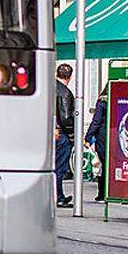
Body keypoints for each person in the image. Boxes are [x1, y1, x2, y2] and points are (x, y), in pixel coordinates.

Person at [54, 63, 75, 208]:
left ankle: (57, 195)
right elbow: (66, 118)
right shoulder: (64, 92)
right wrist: (72, 135)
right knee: (60, 167)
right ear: (70, 76)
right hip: (62, 134)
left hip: (51, 132)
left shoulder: (50, 87)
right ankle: (59, 196)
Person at [83, 86, 108, 202]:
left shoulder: (103, 102)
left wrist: (88, 137)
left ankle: (102, 193)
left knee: (104, 163)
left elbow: (96, 121)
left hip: (103, 135)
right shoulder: (120, 100)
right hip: (117, 135)